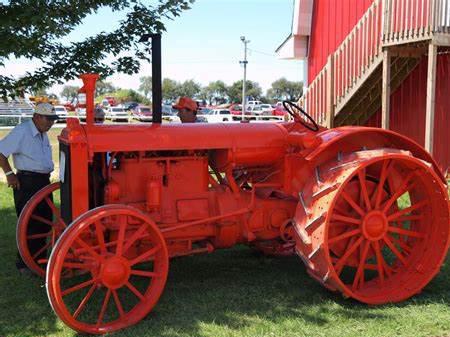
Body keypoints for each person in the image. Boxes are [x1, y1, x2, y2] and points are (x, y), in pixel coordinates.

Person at [0, 102, 59, 274]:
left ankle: (39, 259)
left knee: (44, 221)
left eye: (53, 120)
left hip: (42, 182)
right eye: (48, 119)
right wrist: (9, 173)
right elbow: (1, 152)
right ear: (37, 117)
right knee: (28, 223)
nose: (51, 123)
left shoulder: (41, 132)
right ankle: (24, 263)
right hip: (27, 182)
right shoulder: (22, 131)